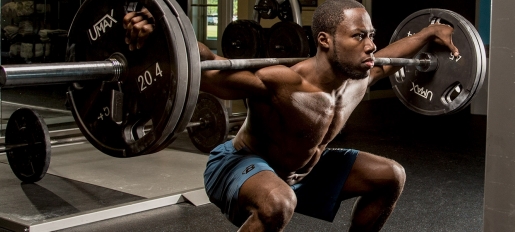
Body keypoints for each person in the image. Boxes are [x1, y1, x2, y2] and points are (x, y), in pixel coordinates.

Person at [124, 0, 458, 231]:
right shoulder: (281, 83)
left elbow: (388, 57)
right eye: (359, 36)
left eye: (370, 36)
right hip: (240, 164)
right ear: (325, 41)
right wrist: (161, 31)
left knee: (391, 175)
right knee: (279, 203)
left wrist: (429, 33)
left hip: (302, 173)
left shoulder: (360, 78)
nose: (370, 45)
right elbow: (208, 67)